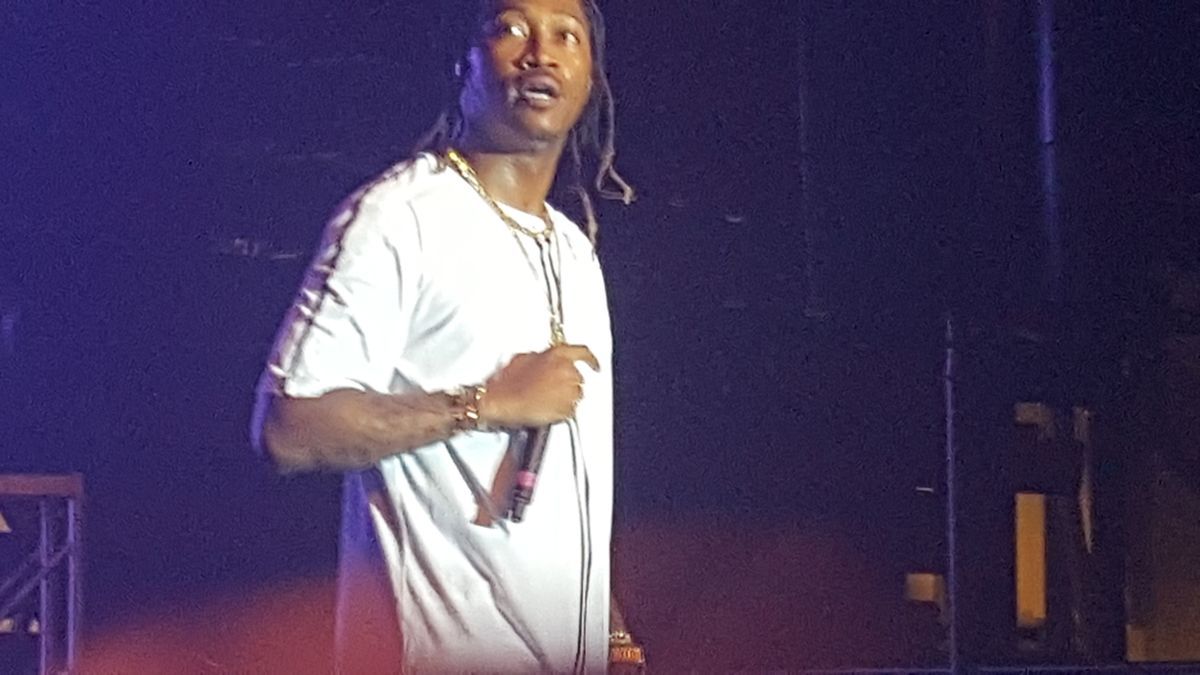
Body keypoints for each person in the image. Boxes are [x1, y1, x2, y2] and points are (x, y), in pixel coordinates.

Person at [250, 0, 639, 671]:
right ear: (464, 62)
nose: (541, 52)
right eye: (511, 28)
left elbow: (569, 492)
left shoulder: (576, 251)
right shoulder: (400, 217)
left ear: (591, 79)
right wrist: (485, 403)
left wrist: (614, 637)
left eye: (566, 36)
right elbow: (287, 427)